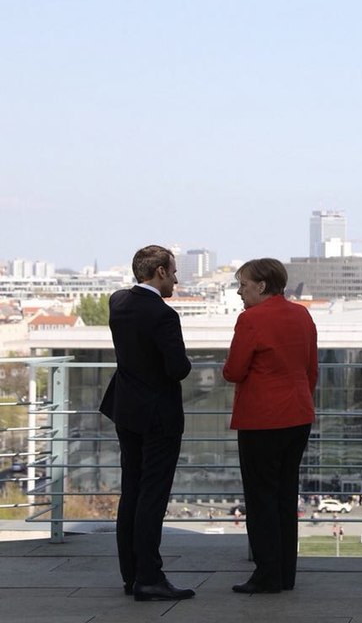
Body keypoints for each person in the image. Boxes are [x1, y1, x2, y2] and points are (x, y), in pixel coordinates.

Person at [98, 245, 195, 602]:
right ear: (158, 272)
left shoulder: (117, 302)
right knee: (152, 496)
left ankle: (132, 575)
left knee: (133, 491)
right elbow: (177, 368)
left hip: (127, 410)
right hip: (158, 416)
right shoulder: (163, 315)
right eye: (172, 271)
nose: (175, 278)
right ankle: (149, 577)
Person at [223, 258, 318, 594]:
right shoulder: (302, 314)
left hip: (262, 418)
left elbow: (234, 371)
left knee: (261, 497)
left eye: (244, 285)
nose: (239, 291)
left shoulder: (250, 320)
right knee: (284, 494)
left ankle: (267, 575)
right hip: (298, 415)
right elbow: (311, 369)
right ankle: (284, 573)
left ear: (261, 286)